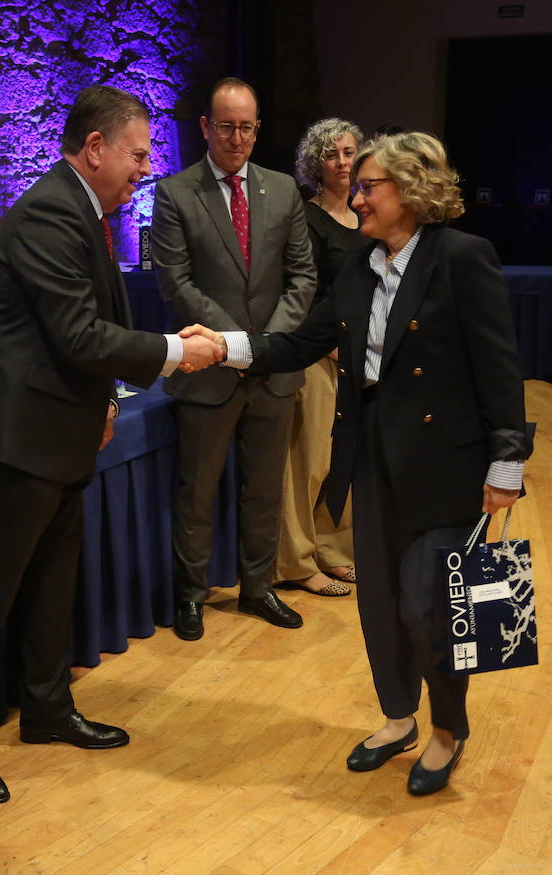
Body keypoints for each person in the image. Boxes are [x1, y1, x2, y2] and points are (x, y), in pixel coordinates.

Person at [189, 132, 531, 795]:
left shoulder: (463, 259)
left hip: (447, 465)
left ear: (411, 189)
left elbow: (500, 367)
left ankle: (447, 729)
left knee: (430, 606)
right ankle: (399, 717)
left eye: (370, 184)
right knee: (380, 604)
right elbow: (299, 341)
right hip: (372, 457)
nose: (357, 194)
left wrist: (507, 459)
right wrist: (225, 346)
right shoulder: (357, 265)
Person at [0, 86, 224, 806]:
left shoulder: (87, 212)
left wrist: (104, 402)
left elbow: (84, 338)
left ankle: (45, 708)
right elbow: (79, 335)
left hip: (62, 430)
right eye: (138, 153)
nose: (145, 167)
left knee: (53, 582)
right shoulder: (46, 213)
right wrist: (170, 352)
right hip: (21, 434)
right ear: (95, 147)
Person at [151, 77, 317, 641]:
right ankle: (191, 596)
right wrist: (231, 346)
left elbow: (303, 278)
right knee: (197, 491)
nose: (237, 137)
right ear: (205, 127)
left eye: (247, 126)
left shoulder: (282, 191)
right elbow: (175, 283)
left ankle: (257, 587)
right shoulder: (174, 194)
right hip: (207, 369)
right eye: (226, 125)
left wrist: (262, 346)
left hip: (272, 371)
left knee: (265, 488)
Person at [273, 117, 366, 598]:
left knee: (344, 461)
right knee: (309, 461)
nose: (343, 162)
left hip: (357, 356)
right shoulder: (306, 218)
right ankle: (295, 561)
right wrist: (327, 341)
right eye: (332, 154)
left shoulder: (366, 217)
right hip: (317, 353)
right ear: (316, 163)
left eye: (350, 152)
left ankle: (333, 550)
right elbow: (299, 289)